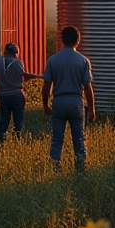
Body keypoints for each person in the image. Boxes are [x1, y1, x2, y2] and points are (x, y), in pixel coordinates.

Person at [42, 26, 96, 173]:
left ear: (62, 39)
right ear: (78, 40)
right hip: (76, 101)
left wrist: (46, 105)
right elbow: (87, 87)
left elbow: (46, 85)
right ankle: (80, 169)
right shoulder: (83, 60)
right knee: (79, 138)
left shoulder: (53, 60)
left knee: (57, 140)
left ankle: (54, 168)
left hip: (58, 101)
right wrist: (92, 109)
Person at [0, 42, 40, 142]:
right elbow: (23, 76)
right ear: (16, 52)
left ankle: (1, 138)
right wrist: (36, 76)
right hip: (16, 94)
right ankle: (17, 138)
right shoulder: (18, 63)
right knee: (18, 119)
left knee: (4, 118)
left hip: (3, 95)